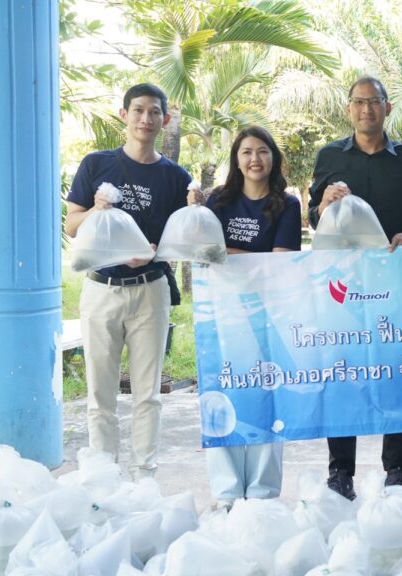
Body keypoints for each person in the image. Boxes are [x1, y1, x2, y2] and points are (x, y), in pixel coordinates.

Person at [64, 83, 193, 479]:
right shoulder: (96, 164)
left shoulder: (176, 177)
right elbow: (73, 226)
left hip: (150, 289)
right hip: (101, 290)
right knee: (100, 394)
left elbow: (178, 240)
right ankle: (103, 477)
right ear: (124, 114)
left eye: (154, 112)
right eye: (138, 110)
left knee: (147, 394)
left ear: (165, 119)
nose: (145, 119)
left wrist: (155, 252)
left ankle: (144, 477)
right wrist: (96, 209)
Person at [307, 75, 402, 499]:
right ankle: (341, 471)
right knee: (343, 368)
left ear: (387, 107)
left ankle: (398, 470)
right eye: (359, 102)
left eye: (374, 102)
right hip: (343, 283)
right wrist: (324, 204)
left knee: (396, 367)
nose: (366, 109)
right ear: (348, 108)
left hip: (392, 279)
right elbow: (314, 219)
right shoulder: (329, 156)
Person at [199, 126, 302, 510]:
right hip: (219, 311)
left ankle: (262, 491)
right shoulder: (218, 201)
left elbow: (279, 262)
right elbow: (203, 250)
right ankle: (226, 491)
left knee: (265, 394)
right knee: (222, 392)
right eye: (246, 152)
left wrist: (228, 252)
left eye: (262, 151)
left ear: (273, 157)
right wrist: (244, 257)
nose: (254, 159)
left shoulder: (287, 204)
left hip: (267, 314)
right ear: (236, 159)